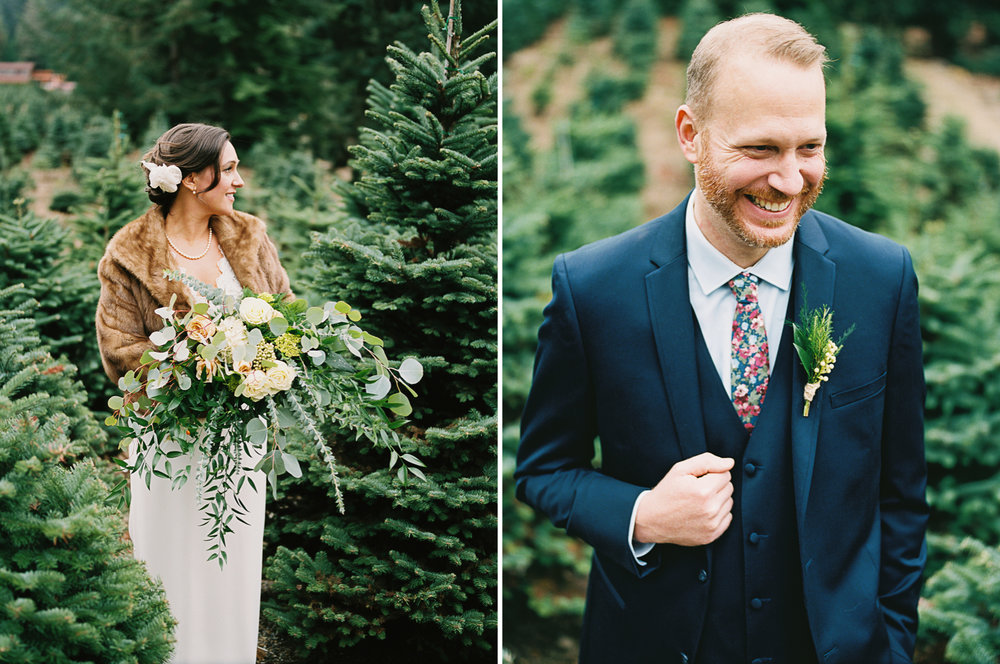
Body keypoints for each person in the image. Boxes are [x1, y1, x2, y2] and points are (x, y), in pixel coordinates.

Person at [514, 13, 927, 664]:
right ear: (691, 135)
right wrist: (642, 515)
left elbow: (900, 493)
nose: (790, 181)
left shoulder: (882, 278)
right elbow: (543, 470)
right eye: (760, 150)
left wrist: (893, 645)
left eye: (809, 148)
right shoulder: (593, 287)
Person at [96, 123, 290, 664]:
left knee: (229, 567)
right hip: (168, 438)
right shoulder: (130, 253)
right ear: (190, 179)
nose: (239, 181)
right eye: (227, 170)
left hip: (237, 438)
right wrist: (193, 362)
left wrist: (266, 358)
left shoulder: (249, 236)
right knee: (169, 565)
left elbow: (286, 315)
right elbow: (119, 350)